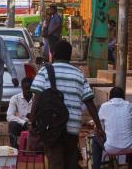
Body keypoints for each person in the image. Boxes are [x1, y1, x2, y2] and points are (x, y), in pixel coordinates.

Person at [30, 40, 104, 169]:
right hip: (72, 128)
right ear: (69, 56)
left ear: (53, 54)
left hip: (51, 127)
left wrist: (32, 122)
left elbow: (37, 99)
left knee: (56, 163)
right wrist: (98, 127)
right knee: (70, 163)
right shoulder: (79, 74)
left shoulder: (44, 71)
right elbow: (89, 103)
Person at [91, 87, 132, 169]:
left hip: (110, 148)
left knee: (95, 139)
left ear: (110, 97)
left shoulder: (104, 106)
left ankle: (96, 166)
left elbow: (98, 127)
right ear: (123, 97)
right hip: (130, 148)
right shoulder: (130, 106)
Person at [7, 77, 33, 149]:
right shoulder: (15, 98)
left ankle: (40, 149)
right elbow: (9, 116)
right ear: (22, 88)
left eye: (30, 88)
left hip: (35, 125)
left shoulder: (37, 98)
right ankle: (14, 148)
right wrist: (24, 123)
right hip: (22, 124)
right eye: (26, 88)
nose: (28, 91)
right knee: (12, 124)